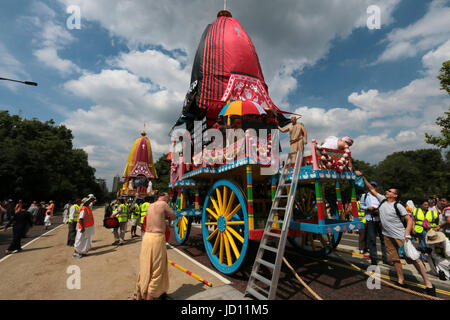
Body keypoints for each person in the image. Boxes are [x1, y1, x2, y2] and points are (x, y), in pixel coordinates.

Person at [355, 170, 436, 296]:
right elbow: (371, 189)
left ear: (395, 195)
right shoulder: (382, 200)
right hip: (387, 236)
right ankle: (401, 280)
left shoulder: (398, 206)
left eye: (389, 191)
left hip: (400, 236)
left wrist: (407, 234)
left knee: (414, 259)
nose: (386, 192)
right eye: (387, 191)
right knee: (394, 259)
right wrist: (363, 177)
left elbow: (409, 220)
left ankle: (429, 284)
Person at [134, 192, 176, 300]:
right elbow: (174, 217)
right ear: (165, 197)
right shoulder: (163, 204)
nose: (168, 200)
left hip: (147, 237)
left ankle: (139, 295)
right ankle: (150, 297)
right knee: (157, 269)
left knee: (145, 266)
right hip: (157, 238)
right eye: (168, 198)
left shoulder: (150, 205)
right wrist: (168, 215)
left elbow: (155, 217)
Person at [359, 181, 390, 265]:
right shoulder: (364, 196)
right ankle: (374, 259)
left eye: (374, 186)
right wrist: (367, 207)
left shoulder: (381, 196)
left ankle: (385, 258)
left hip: (380, 220)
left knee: (383, 240)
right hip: (370, 219)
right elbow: (361, 206)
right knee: (372, 240)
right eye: (371, 186)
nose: (372, 187)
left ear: (377, 188)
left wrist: (379, 211)